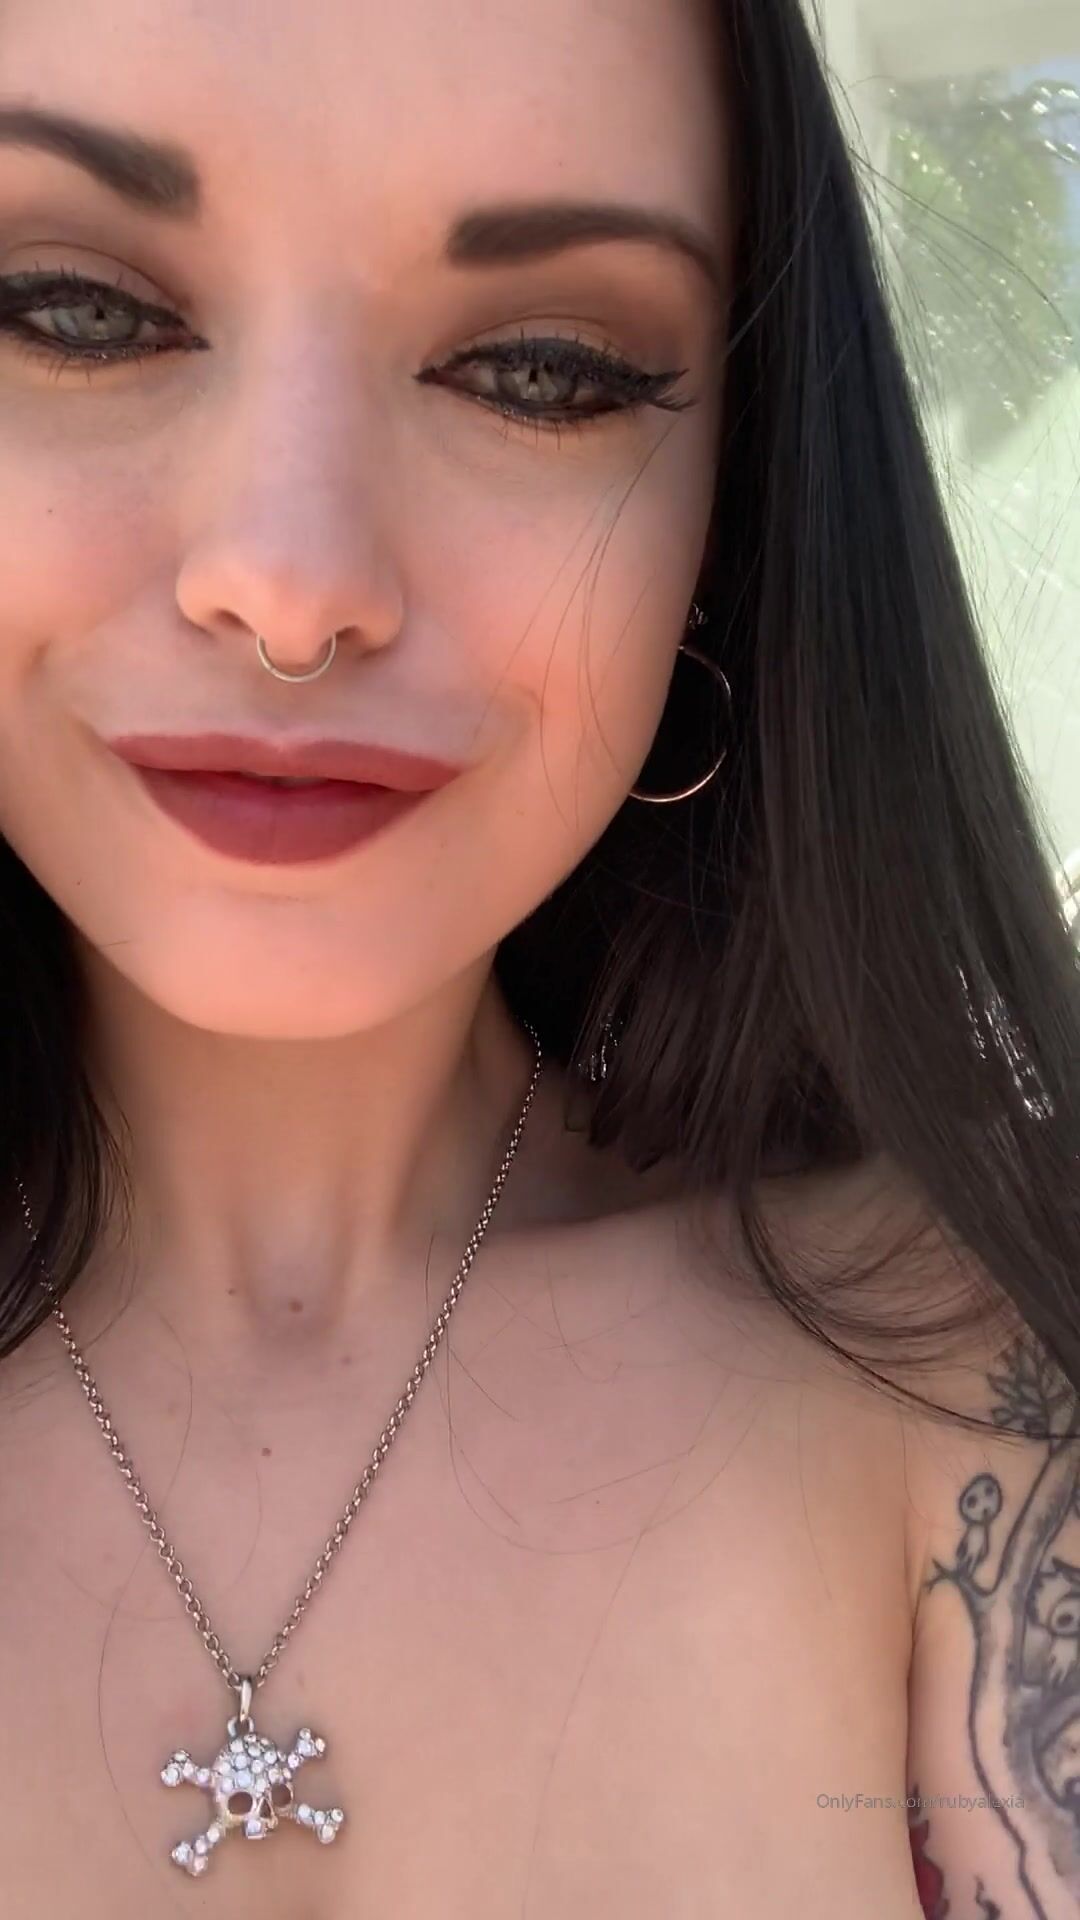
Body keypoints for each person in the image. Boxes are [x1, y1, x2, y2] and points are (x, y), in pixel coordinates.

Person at [0, 0, 1077, 1913]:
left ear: (730, 514)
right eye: (78, 314)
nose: (297, 586)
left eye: (541, 370)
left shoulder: (957, 1362)